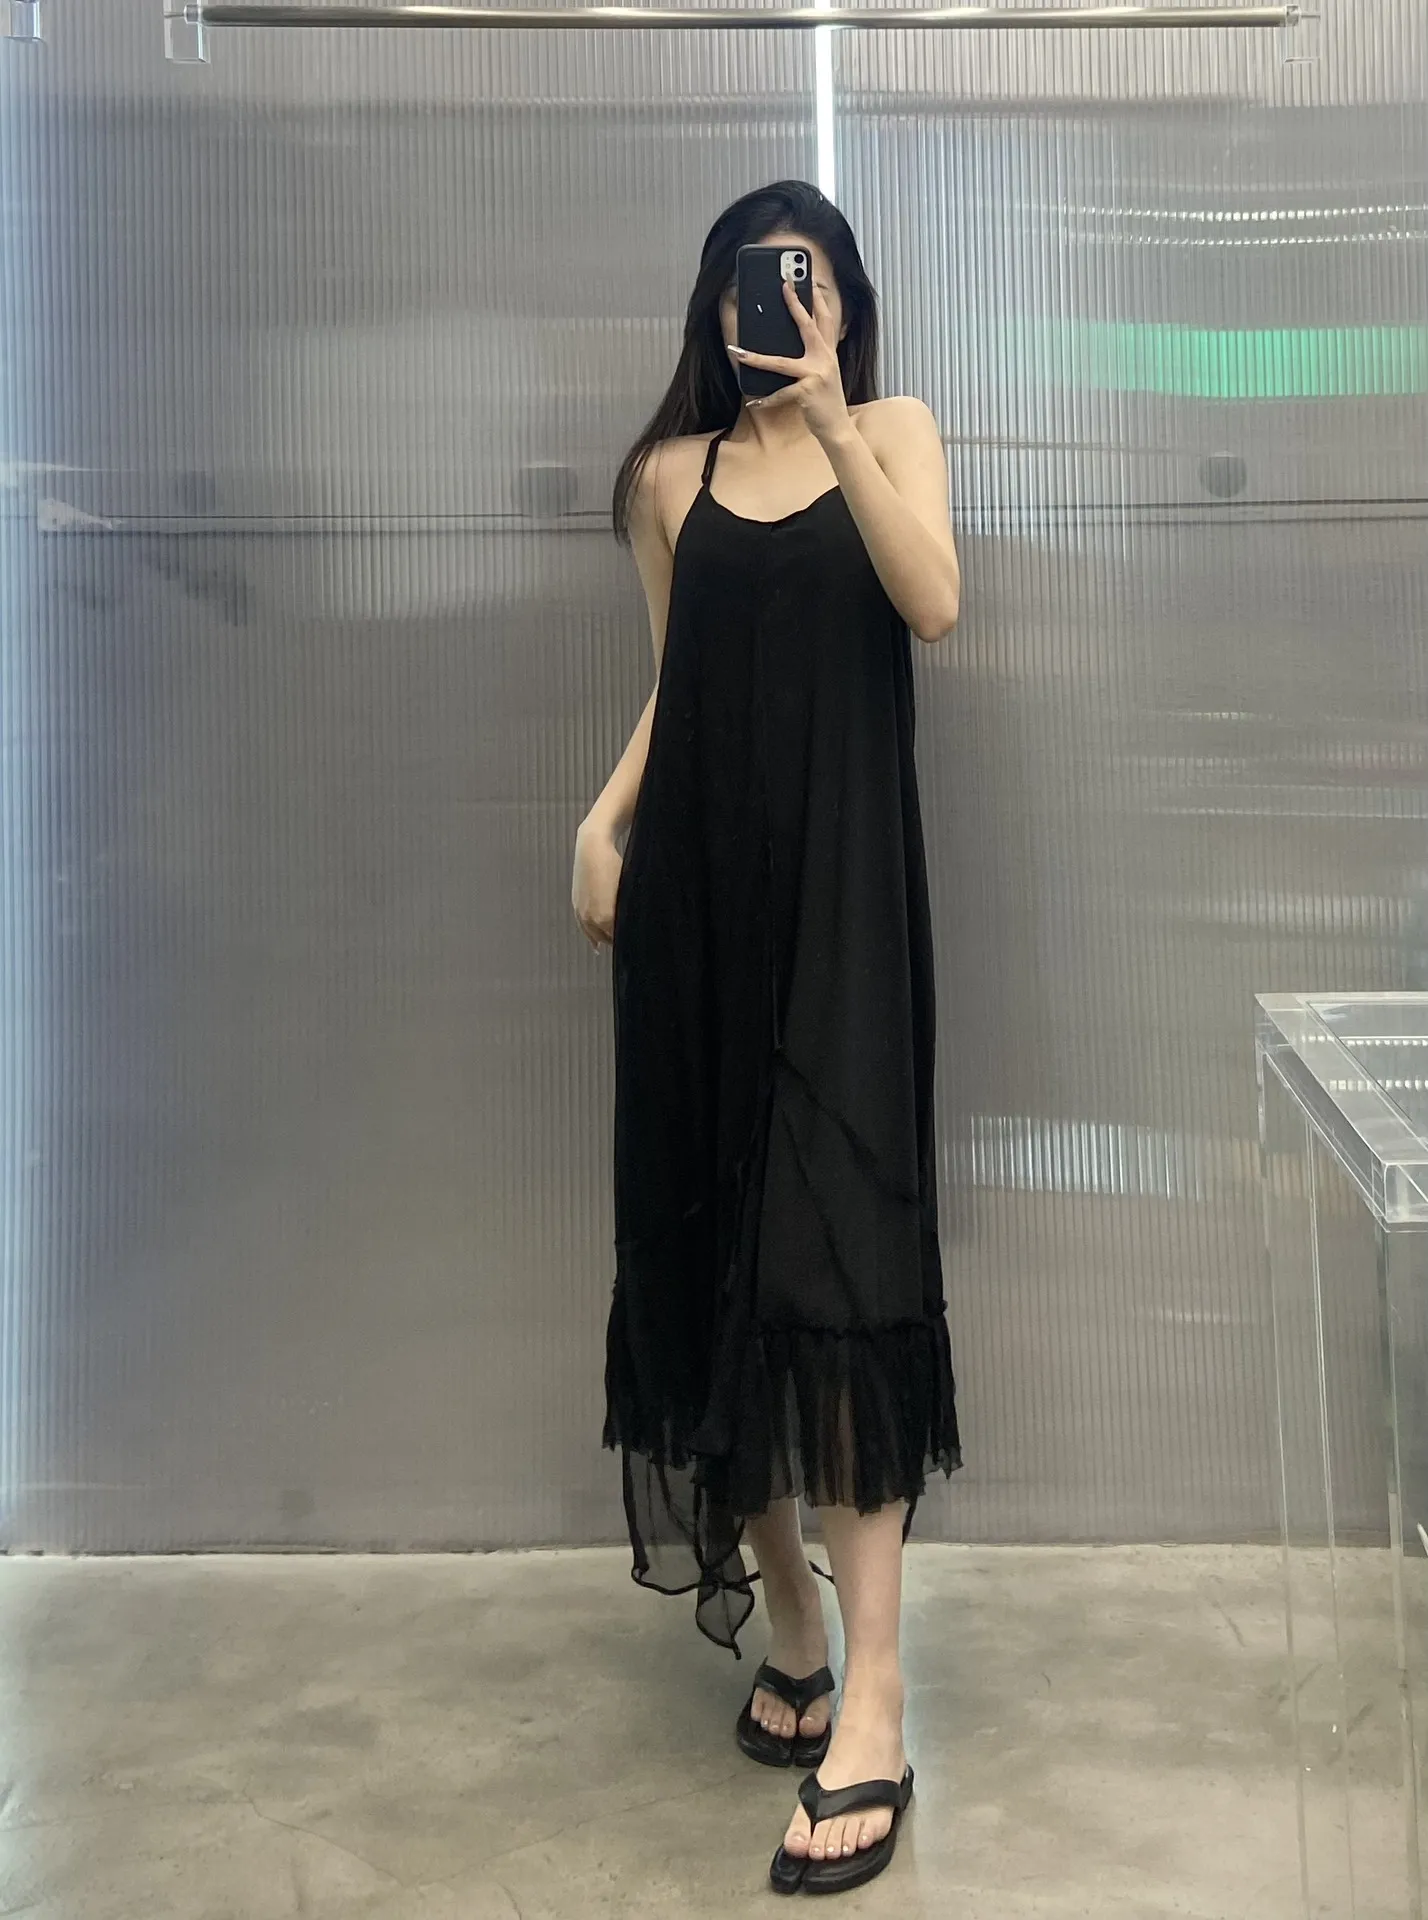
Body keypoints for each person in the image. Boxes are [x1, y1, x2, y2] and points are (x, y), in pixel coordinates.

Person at [571, 179, 964, 1896]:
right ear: (712, 300)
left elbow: (932, 603)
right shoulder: (672, 478)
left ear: (841, 303)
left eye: (806, 284)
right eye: (752, 284)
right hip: (701, 905)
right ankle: (793, 1626)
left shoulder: (896, 430)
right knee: (707, 1252)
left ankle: (876, 1694)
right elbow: (683, 680)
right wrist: (604, 818)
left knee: (841, 1261)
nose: (777, 308)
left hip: (844, 908)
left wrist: (832, 414)